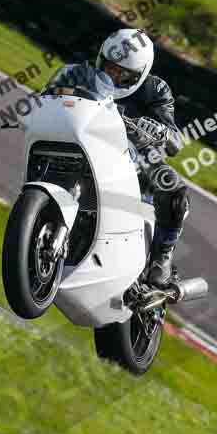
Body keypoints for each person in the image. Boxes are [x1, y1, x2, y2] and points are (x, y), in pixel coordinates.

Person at [44, 28, 190, 289]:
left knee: (175, 188)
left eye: (122, 74)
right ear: (101, 58)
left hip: (134, 155)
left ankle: (161, 258)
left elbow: (175, 140)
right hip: (81, 142)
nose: (112, 75)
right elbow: (45, 99)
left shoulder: (156, 89)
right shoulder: (76, 72)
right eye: (109, 67)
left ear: (139, 74)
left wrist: (161, 131)